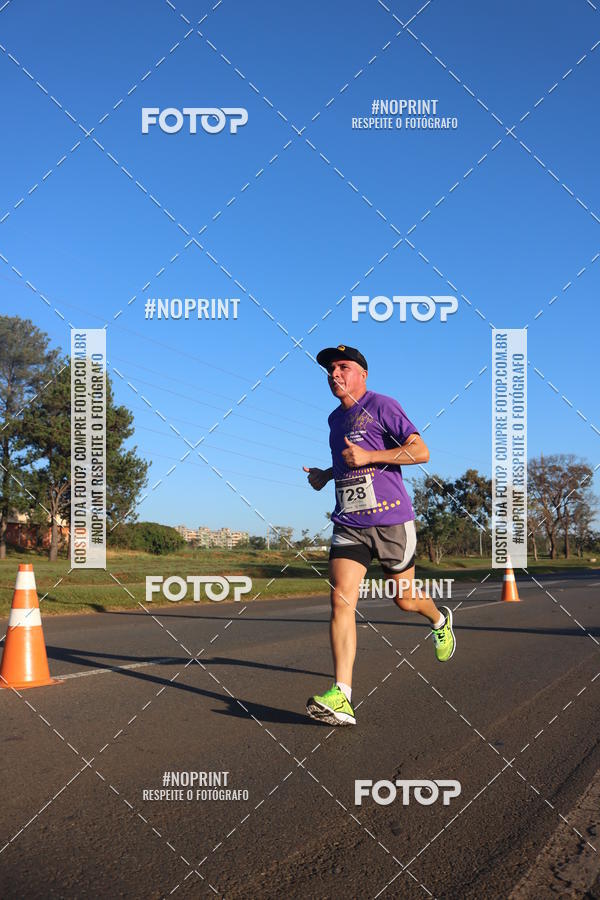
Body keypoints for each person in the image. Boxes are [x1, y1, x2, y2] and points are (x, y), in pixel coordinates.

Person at [303, 344, 455, 726]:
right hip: (349, 522)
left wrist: (371, 457)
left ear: (362, 373)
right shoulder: (334, 420)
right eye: (329, 370)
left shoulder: (383, 404)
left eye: (342, 367)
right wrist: (326, 474)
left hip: (390, 521)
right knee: (341, 601)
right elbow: (349, 463)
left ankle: (439, 620)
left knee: (404, 600)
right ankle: (342, 696)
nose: (334, 374)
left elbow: (421, 452)